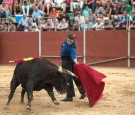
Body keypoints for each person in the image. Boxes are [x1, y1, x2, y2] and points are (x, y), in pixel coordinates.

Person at [60, 33, 86, 102]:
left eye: (71, 42)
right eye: (68, 40)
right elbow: (74, 36)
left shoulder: (72, 47)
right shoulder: (70, 40)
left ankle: (69, 96)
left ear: (73, 41)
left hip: (67, 62)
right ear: (67, 38)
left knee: (68, 78)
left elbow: (73, 54)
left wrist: (75, 61)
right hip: (67, 61)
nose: (69, 42)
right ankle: (83, 92)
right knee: (75, 77)